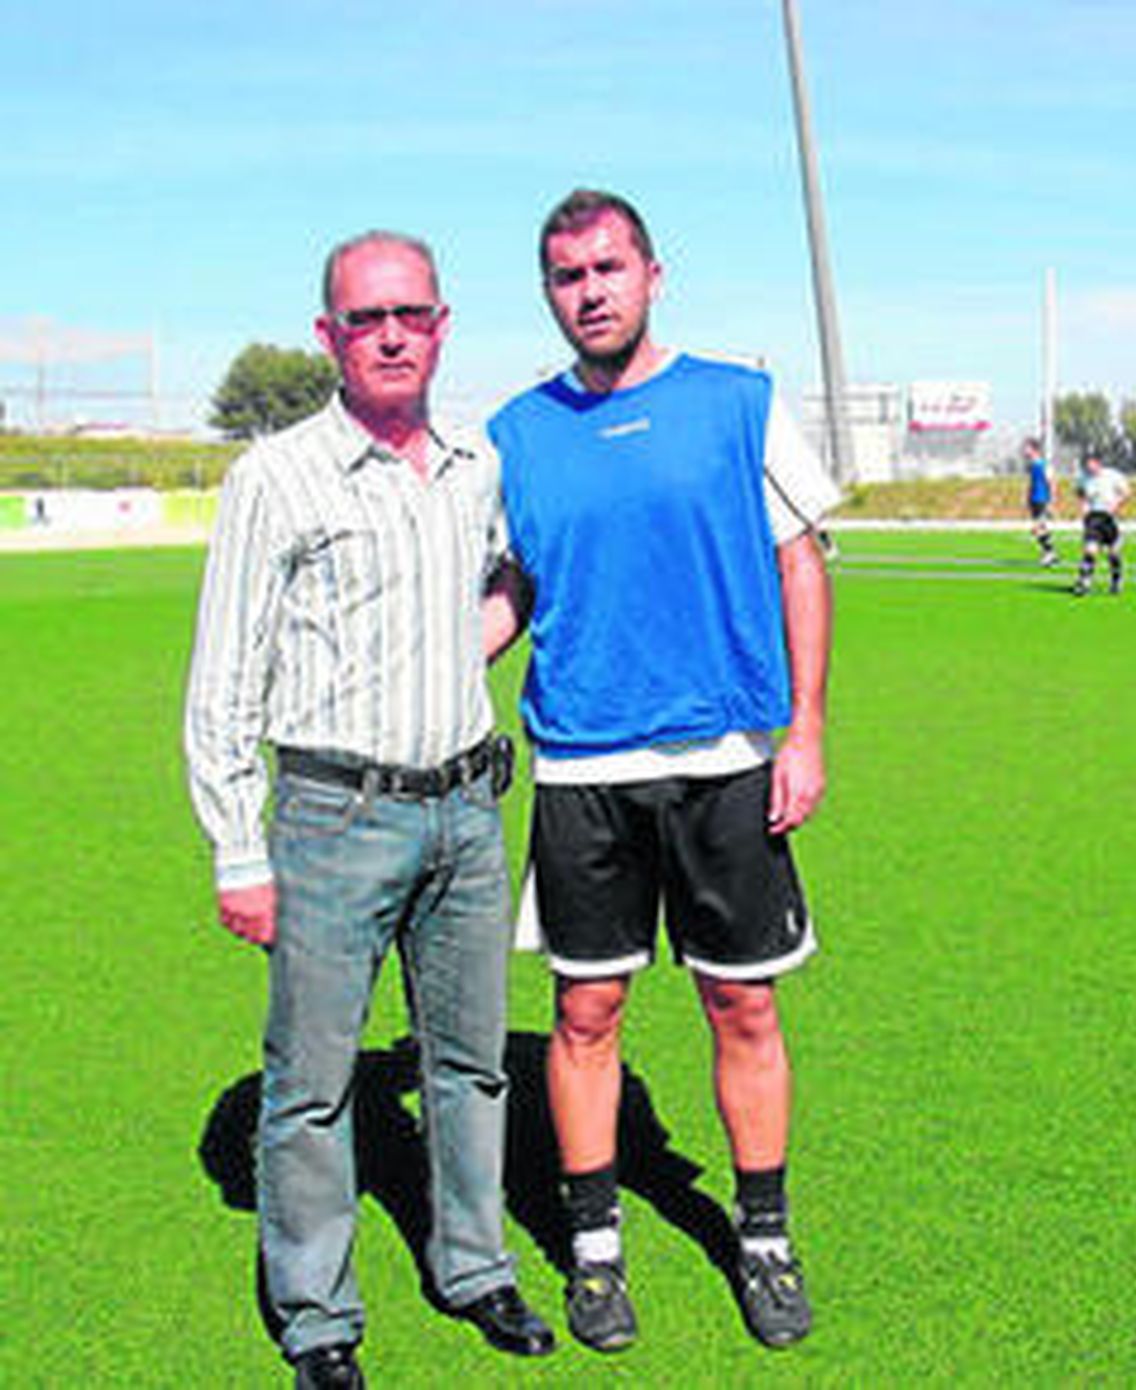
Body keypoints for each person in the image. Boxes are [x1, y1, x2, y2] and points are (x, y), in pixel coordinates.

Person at [184, 231, 554, 1388]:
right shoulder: (276, 476)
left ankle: (475, 1263)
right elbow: (222, 680)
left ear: (442, 324)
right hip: (330, 817)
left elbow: (512, 578)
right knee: (311, 1080)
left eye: (410, 314)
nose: (389, 335)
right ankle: (316, 1312)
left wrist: (461, 652)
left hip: (464, 813)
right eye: (364, 319)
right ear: (328, 336)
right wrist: (238, 851)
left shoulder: (472, 465)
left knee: (471, 1061)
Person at [488, 190, 839, 1354]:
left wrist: (806, 730)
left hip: (728, 761)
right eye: (564, 276)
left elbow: (800, 566)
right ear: (548, 292)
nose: (587, 291)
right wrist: (420, 662)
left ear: (652, 273)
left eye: (605, 268)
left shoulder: (737, 403)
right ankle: (594, 1250)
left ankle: (765, 1235)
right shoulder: (515, 433)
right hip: (583, 766)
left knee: (741, 1001)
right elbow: (510, 594)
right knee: (584, 1010)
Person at [1070, 454, 1131, 595]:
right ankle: (1084, 582)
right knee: (1090, 550)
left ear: (1098, 463)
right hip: (1092, 518)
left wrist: (1117, 504)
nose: (1089, 467)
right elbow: (1078, 491)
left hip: (1109, 517)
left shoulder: (1112, 475)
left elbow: (1126, 492)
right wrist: (1084, 503)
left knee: (1113, 552)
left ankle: (1116, 580)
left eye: (1091, 464)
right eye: (1087, 465)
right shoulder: (1084, 478)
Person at [1022, 435, 1059, 565]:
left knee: (1036, 529)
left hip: (1042, 500)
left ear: (1034, 449)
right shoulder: (1032, 465)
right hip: (1034, 500)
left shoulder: (1043, 465)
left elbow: (1052, 483)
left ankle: (1050, 552)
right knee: (1041, 528)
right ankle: (1049, 553)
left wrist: (1052, 502)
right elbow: (1032, 484)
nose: (1024, 451)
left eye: (1026, 448)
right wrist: (1027, 498)